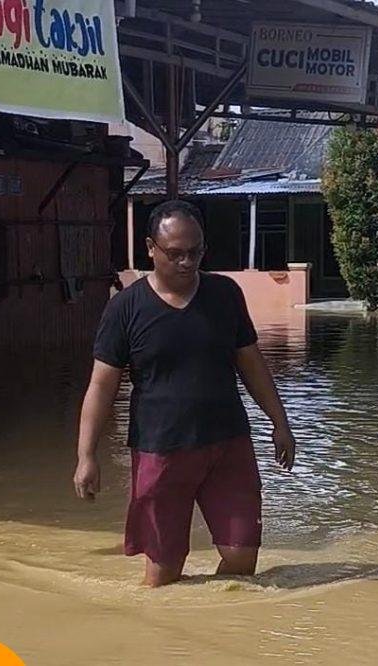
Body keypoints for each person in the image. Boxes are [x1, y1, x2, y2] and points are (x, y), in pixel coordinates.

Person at [73, 199, 297, 587]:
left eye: (195, 252)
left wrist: (280, 423)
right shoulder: (125, 309)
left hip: (228, 444)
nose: (187, 262)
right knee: (163, 574)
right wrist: (86, 455)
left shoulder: (225, 295)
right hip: (160, 451)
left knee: (242, 555)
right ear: (150, 248)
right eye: (175, 254)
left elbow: (252, 365)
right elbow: (101, 385)